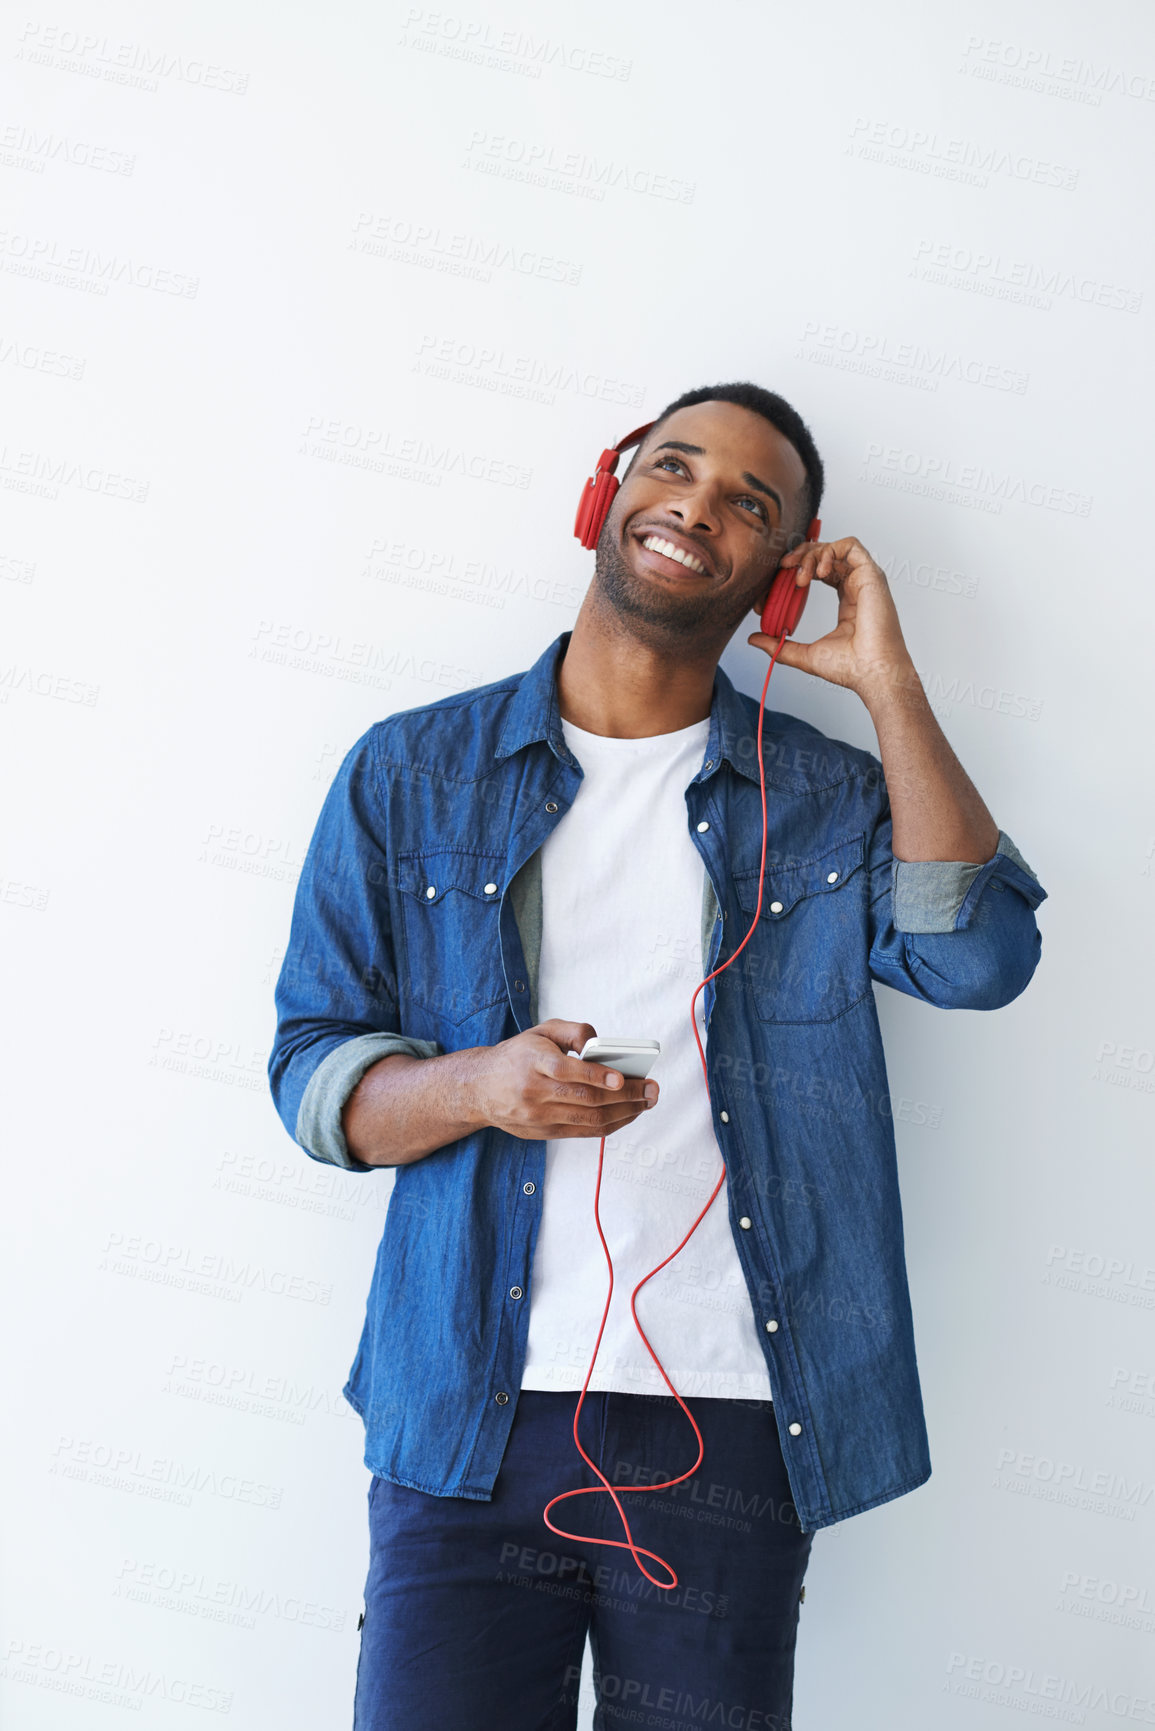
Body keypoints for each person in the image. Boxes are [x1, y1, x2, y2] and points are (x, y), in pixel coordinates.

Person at [267, 382, 1047, 1730]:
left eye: (752, 501)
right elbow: (314, 1081)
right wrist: (481, 1086)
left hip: (734, 1421)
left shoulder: (828, 797)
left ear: (781, 579)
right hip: (466, 1412)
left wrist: (887, 683)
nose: (698, 504)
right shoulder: (408, 776)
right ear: (606, 496)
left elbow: (977, 961)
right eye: (673, 467)